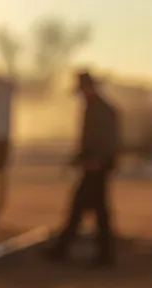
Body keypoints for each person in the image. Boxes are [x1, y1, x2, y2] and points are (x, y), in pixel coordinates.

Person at [46, 70, 120, 267]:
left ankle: (67, 250)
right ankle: (99, 253)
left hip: (97, 166)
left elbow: (107, 141)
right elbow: (88, 140)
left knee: (84, 207)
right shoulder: (93, 107)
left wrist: (97, 160)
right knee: (92, 209)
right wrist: (79, 157)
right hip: (92, 164)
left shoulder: (103, 110)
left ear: (89, 87)